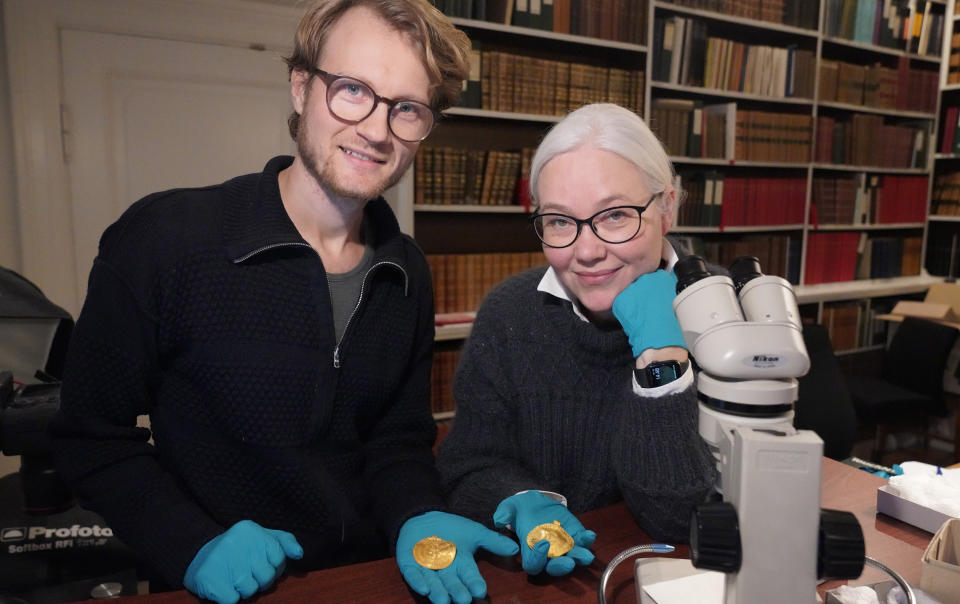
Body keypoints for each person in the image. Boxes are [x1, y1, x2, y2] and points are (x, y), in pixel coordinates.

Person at [49, 2, 517, 603]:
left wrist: (417, 512)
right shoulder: (164, 240)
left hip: (370, 580)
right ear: (301, 87)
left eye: (407, 109)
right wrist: (189, 545)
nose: (377, 130)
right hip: (215, 589)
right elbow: (91, 439)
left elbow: (396, 438)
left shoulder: (407, 271)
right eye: (352, 90)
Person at [436, 103, 718, 577]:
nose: (586, 252)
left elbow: (679, 520)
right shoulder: (510, 313)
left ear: (666, 208)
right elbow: (467, 465)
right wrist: (520, 498)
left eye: (614, 216)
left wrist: (659, 363)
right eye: (561, 221)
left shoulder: (725, 319)